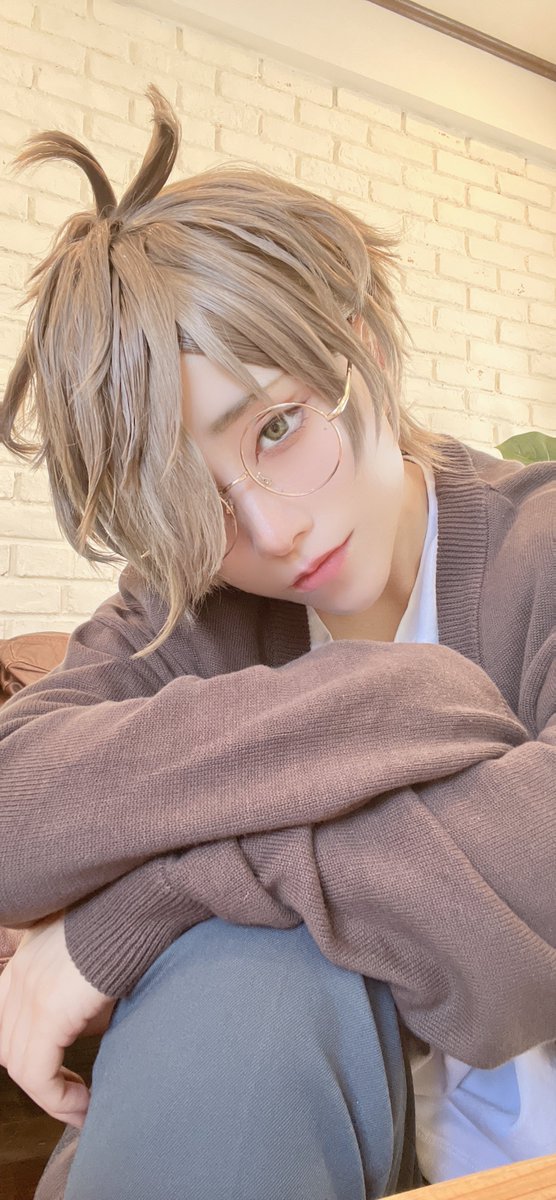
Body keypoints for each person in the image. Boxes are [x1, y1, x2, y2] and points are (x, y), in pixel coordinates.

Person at [0, 86, 554, 1200]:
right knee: (247, 965)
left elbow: (527, 899)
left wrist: (145, 902)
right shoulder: (187, 604)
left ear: (356, 344)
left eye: (278, 426)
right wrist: (396, 702)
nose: (268, 527)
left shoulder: (537, 543)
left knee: (241, 939)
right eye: (192, 500)